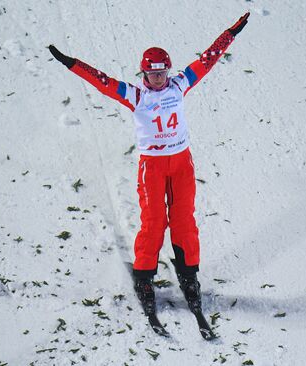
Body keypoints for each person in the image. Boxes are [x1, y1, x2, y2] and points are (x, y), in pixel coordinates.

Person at [49, 13, 250, 317]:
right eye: (153, 73)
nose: (159, 78)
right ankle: (144, 278)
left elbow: (207, 60)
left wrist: (230, 34)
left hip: (181, 162)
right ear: (143, 73)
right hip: (153, 166)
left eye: (162, 72)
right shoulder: (137, 95)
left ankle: (189, 275)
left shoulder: (179, 85)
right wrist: (71, 63)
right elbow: (102, 82)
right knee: (154, 221)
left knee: (183, 219)